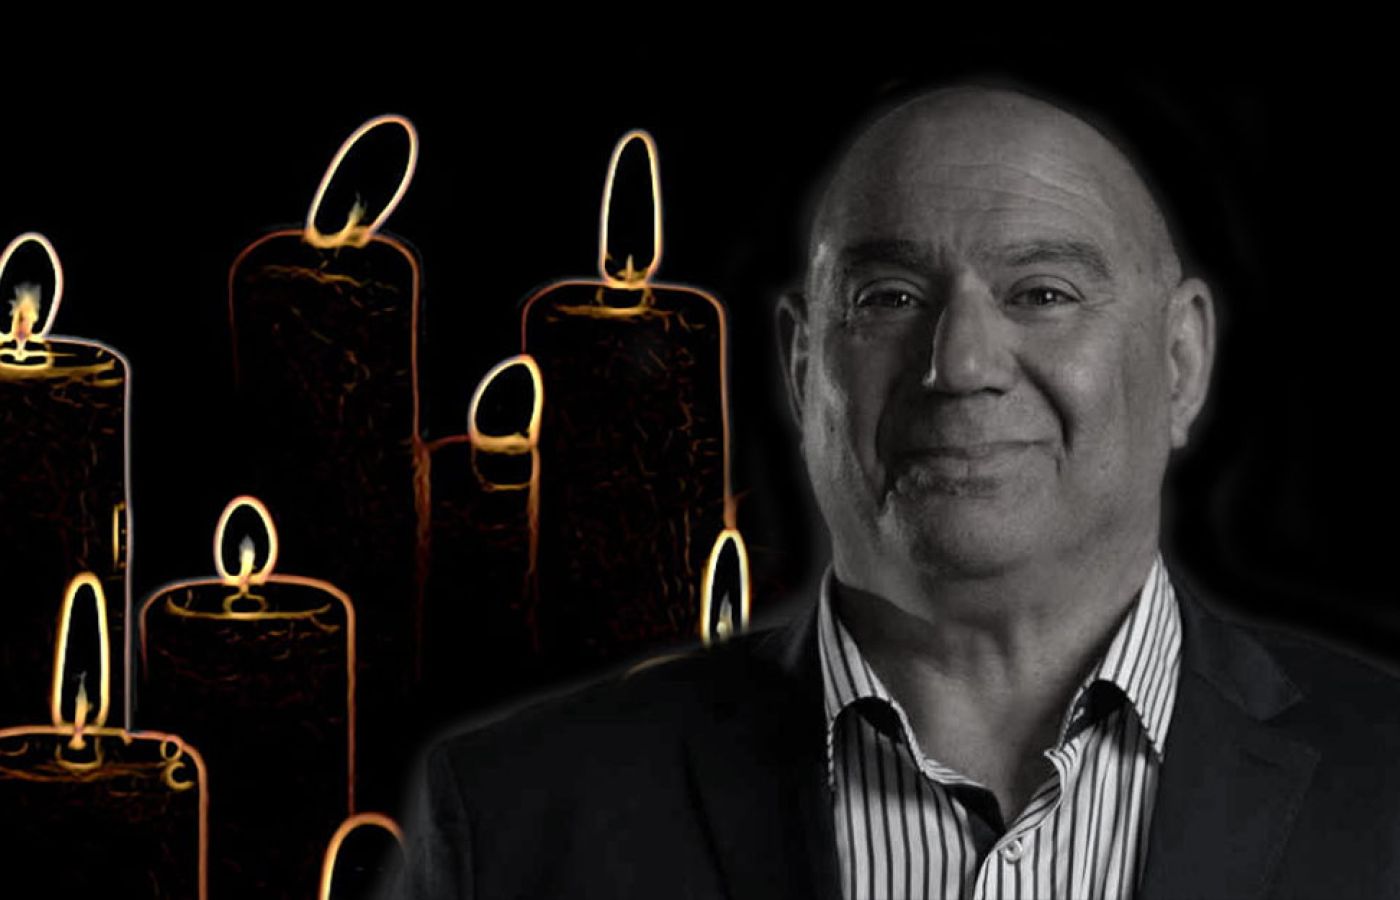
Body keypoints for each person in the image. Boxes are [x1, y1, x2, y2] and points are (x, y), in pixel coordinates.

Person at [387, 84, 1400, 899]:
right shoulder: (516, 822)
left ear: (1179, 360)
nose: (959, 364)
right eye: (889, 298)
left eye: (1042, 293)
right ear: (801, 369)